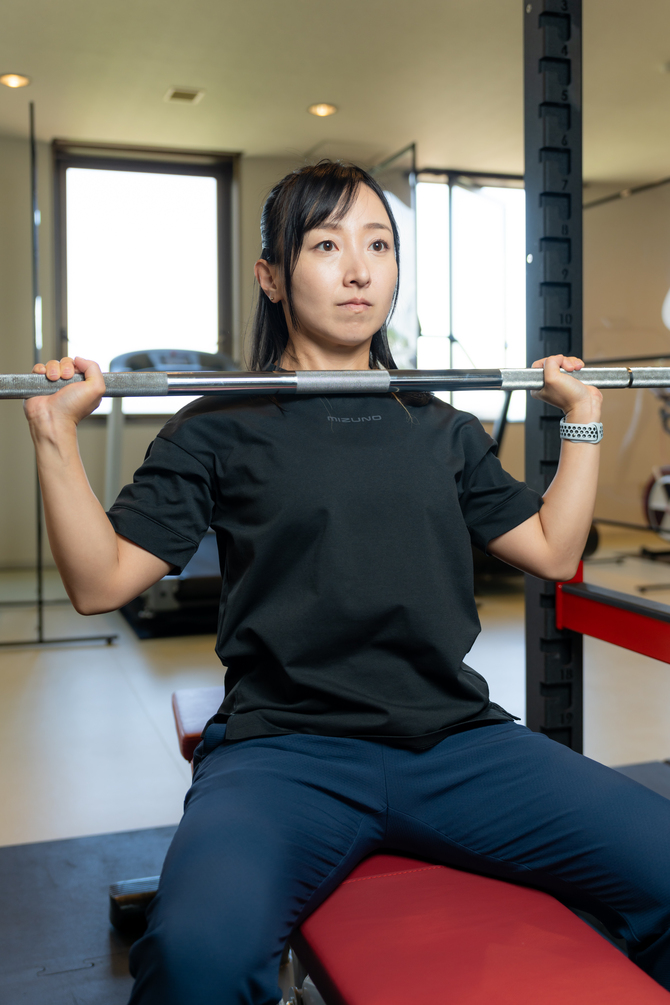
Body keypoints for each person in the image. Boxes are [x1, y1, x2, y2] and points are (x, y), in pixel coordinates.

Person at [25, 161, 670, 1004]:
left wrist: (581, 417)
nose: (359, 268)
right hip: (286, 753)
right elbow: (101, 581)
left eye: (378, 245)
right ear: (271, 275)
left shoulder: (440, 426)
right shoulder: (216, 427)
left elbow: (552, 549)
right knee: (194, 957)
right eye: (326, 244)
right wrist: (53, 436)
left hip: (457, 742)